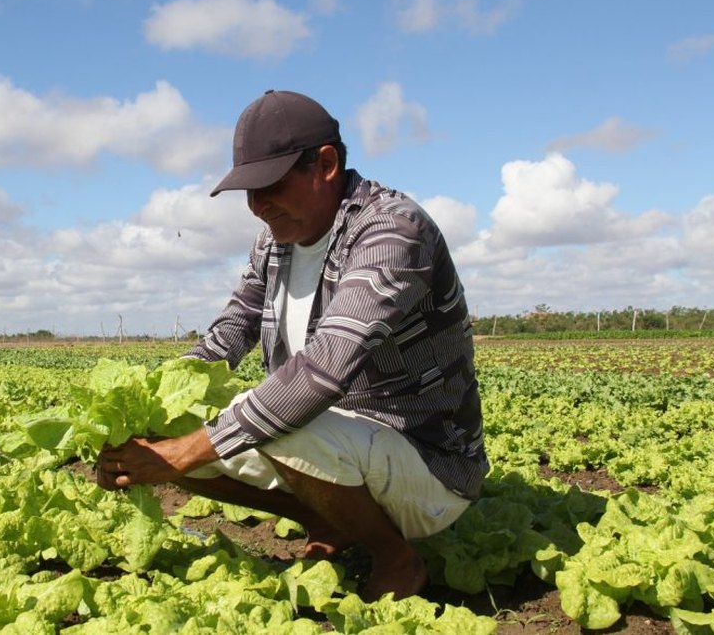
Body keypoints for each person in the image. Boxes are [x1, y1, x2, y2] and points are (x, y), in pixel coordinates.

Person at [96, 90, 488, 601]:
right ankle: (329, 522)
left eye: (270, 186)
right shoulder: (276, 239)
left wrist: (182, 453)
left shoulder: (392, 231)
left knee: (272, 418)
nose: (258, 207)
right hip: (336, 450)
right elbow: (231, 330)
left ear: (325, 164)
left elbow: (322, 371)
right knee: (173, 423)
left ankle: (397, 560)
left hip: (425, 464)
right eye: (249, 192)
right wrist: (145, 415)